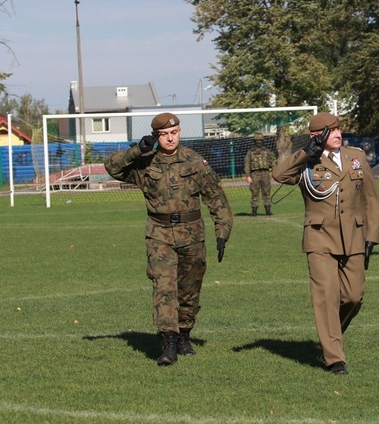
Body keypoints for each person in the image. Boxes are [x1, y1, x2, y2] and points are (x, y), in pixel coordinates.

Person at [104, 112, 233, 366]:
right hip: (159, 234)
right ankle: (168, 342)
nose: (170, 138)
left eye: (174, 133)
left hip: (192, 235)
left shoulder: (195, 162)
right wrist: (137, 150)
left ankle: (184, 334)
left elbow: (216, 198)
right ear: (156, 136)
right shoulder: (145, 163)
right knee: (164, 287)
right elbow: (112, 168)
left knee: (189, 290)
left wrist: (222, 231)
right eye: (164, 134)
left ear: (180, 132)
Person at [272, 112, 379, 375]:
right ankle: (334, 358)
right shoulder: (308, 161)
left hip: (353, 236)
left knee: (354, 297)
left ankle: (331, 336)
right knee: (326, 298)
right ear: (316, 135)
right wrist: (304, 153)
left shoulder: (356, 157)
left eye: (338, 128)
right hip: (319, 238)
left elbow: (371, 199)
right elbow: (279, 175)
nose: (337, 133)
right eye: (330, 130)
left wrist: (371, 237)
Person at [244, 132, 277, 217]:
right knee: (254, 193)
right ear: (254, 141)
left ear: (263, 141)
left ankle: (268, 210)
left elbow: (273, 163)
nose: (259, 142)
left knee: (266, 192)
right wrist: (248, 176)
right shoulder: (250, 152)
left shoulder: (267, 151)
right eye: (257, 140)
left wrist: (273, 174)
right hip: (254, 174)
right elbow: (247, 164)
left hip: (265, 173)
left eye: (260, 140)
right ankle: (254, 211)